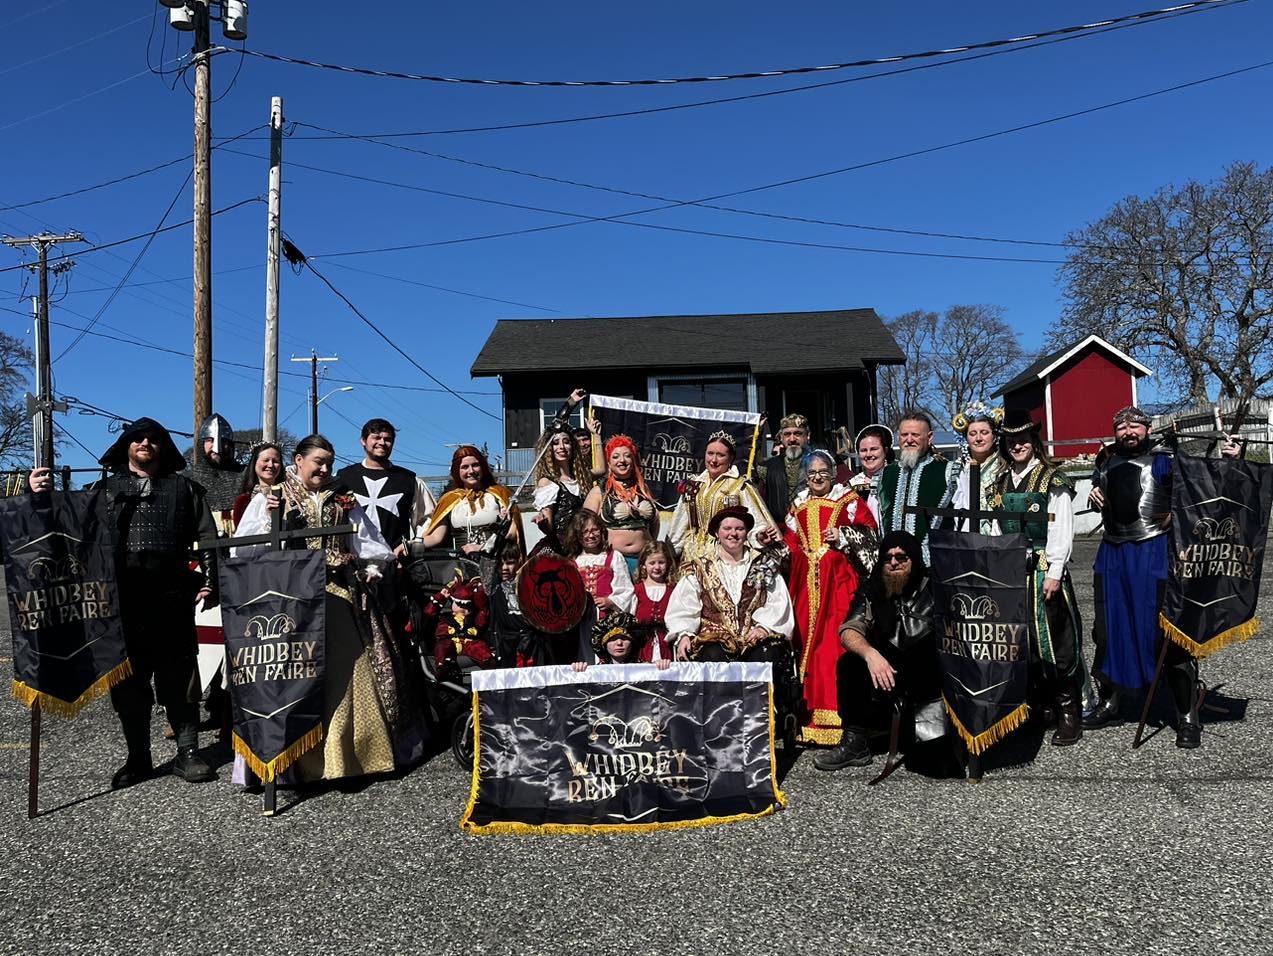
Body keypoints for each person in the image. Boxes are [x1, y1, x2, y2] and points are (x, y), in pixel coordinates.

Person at [30, 417, 219, 788]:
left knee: (179, 678)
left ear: (162, 446)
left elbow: (207, 537)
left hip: (171, 596)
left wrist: (211, 581)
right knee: (129, 683)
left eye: (153, 439)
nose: (145, 443)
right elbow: (64, 530)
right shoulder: (101, 491)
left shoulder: (185, 490)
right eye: (138, 438)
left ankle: (188, 753)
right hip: (122, 599)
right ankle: (138, 757)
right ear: (127, 445)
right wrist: (41, 497)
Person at [233, 434, 426, 780]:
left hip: (339, 595)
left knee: (347, 674)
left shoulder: (343, 499)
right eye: (318, 461)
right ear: (298, 462)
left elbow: (371, 544)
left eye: (330, 462)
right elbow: (243, 551)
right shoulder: (272, 498)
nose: (325, 468)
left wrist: (370, 567)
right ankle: (296, 764)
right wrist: (270, 525)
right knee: (297, 678)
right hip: (291, 603)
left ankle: (349, 758)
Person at [1083, 406, 1225, 748]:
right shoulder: (1104, 461)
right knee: (1107, 630)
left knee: (1168, 633)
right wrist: (1093, 495)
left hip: (1154, 552)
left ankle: (1186, 714)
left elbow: (1204, 490)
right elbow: (1107, 496)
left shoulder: (1166, 459)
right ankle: (1111, 701)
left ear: (1147, 428)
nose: (1129, 431)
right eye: (1122, 427)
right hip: (1113, 553)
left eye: (1135, 425)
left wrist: (1230, 458)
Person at [814, 531, 949, 772]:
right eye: (888, 558)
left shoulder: (936, 587)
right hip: (887, 669)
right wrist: (870, 655)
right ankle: (856, 743)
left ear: (914, 558)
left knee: (934, 765)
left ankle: (932, 737)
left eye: (901, 557)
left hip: (929, 674)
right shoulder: (872, 587)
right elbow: (849, 630)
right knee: (849, 665)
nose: (894, 563)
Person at [994, 410, 1084, 746]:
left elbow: (1062, 527)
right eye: (1011, 440)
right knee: (1022, 644)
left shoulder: (1051, 480)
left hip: (1045, 571)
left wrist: (1055, 572)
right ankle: (1040, 708)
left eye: (1023, 439)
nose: (1017, 445)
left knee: (1055, 641)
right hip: (1013, 573)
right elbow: (994, 526)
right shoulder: (1001, 483)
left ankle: (1068, 712)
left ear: (1034, 441)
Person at [783, 449, 877, 745]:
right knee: (805, 646)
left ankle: (842, 717)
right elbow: (790, 544)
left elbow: (871, 534)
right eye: (812, 474)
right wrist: (778, 545)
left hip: (838, 585)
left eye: (823, 472)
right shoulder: (797, 505)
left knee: (835, 646)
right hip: (806, 589)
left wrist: (845, 536)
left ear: (833, 473)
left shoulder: (848, 501)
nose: (818, 478)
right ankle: (807, 716)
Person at [665, 505, 795, 663]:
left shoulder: (763, 564)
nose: (733, 533)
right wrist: (684, 634)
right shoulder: (699, 567)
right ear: (717, 533)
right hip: (714, 641)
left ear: (747, 533)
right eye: (727, 528)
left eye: (739, 529)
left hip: (754, 639)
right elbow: (684, 606)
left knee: (767, 655)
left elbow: (777, 602)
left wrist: (764, 627)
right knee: (714, 657)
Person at [668, 430, 778, 574]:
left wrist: (760, 537)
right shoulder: (694, 484)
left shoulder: (740, 486)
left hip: (726, 555)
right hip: (692, 556)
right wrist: (669, 551)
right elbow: (679, 523)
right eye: (710, 453)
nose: (714, 460)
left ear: (730, 458)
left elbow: (756, 522)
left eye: (720, 455)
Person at [336, 418, 437, 562]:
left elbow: (427, 519)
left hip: (395, 564)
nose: (382, 443)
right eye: (376, 437)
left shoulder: (409, 480)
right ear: (363, 441)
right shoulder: (343, 478)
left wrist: (413, 545)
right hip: (351, 563)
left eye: (387, 439)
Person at [876, 411, 958, 564]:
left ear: (929, 437)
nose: (909, 440)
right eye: (904, 435)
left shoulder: (948, 471)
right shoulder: (885, 474)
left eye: (915, 435)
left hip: (933, 566)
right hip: (891, 564)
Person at [582, 435, 659, 575]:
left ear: (633, 460)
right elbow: (584, 527)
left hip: (644, 561)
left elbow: (655, 522)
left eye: (627, 456)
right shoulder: (599, 492)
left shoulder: (643, 489)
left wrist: (650, 544)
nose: (622, 460)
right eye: (616, 456)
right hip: (613, 563)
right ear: (609, 463)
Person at [420, 446, 517, 555]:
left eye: (475, 465)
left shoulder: (500, 495)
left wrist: (483, 547)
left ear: (483, 467)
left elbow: (512, 534)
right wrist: (410, 545)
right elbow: (436, 537)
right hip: (462, 565)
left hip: (496, 562)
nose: (471, 471)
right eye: (465, 467)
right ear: (457, 470)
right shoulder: (448, 500)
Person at [562, 508, 636, 619]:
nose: (591, 536)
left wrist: (611, 601)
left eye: (594, 530)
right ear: (577, 535)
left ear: (601, 531)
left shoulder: (613, 557)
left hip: (608, 617)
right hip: (581, 620)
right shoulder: (573, 562)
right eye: (585, 532)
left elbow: (625, 589)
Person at [532, 417, 593, 549]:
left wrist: (595, 434)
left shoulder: (582, 480)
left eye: (566, 442)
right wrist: (542, 524)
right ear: (548, 449)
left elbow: (601, 469)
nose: (562, 447)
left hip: (583, 546)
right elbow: (549, 527)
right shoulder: (547, 483)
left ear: (572, 446)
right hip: (560, 550)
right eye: (555, 443)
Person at [947, 402, 1005, 534]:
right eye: (972, 434)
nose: (978, 438)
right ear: (965, 438)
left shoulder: (1004, 466)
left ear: (994, 436)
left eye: (984, 432)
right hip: (965, 540)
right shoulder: (957, 469)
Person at [187, 412, 244, 533]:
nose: (216, 447)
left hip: (241, 540)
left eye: (223, 441)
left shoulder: (245, 474)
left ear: (230, 445)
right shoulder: (190, 480)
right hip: (205, 541)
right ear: (202, 444)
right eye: (209, 440)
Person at [573, 611, 672, 671]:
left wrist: (663, 668)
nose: (619, 643)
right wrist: (578, 672)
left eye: (625, 638)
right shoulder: (596, 672)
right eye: (613, 639)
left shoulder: (645, 669)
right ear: (603, 645)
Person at [759, 413, 810, 523]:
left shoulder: (820, 462)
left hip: (813, 529)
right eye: (787, 434)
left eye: (797, 434)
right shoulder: (767, 467)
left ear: (807, 436)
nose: (792, 439)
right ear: (781, 438)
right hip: (779, 533)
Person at [633, 540, 677, 663]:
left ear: (667, 564)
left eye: (661, 562)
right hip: (641, 647)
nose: (657, 567)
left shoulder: (673, 590)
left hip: (667, 647)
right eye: (652, 563)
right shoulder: (636, 591)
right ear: (643, 565)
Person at [847, 424, 894, 526]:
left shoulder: (897, 478)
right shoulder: (851, 485)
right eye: (863, 450)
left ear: (885, 451)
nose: (868, 454)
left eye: (873, 449)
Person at [231, 442, 284, 528]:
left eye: (275, 461)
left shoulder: (290, 495)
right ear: (255, 463)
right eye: (266, 460)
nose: (270, 465)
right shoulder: (243, 501)